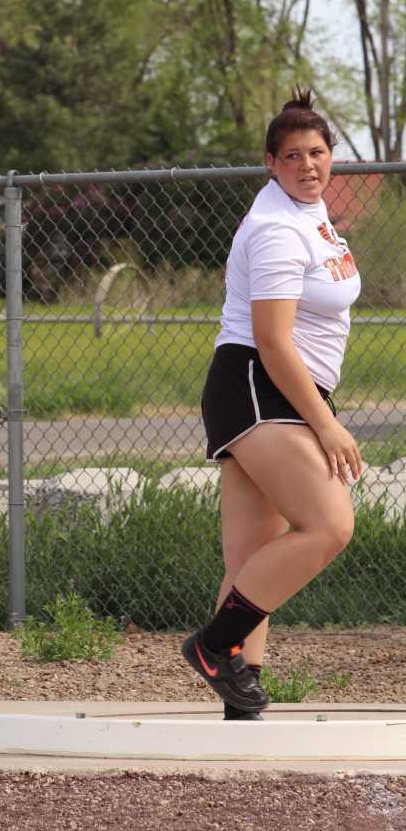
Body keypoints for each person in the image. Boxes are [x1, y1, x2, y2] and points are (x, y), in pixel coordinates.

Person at [181, 88, 362, 717]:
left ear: (331, 155)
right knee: (330, 524)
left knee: (252, 554)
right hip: (261, 386)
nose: (307, 165)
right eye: (292, 156)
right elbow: (272, 340)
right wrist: (327, 425)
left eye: (317, 153)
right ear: (270, 163)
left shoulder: (309, 213)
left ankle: (240, 694)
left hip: (272, 388)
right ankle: (214, 646)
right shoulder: (277, 229)